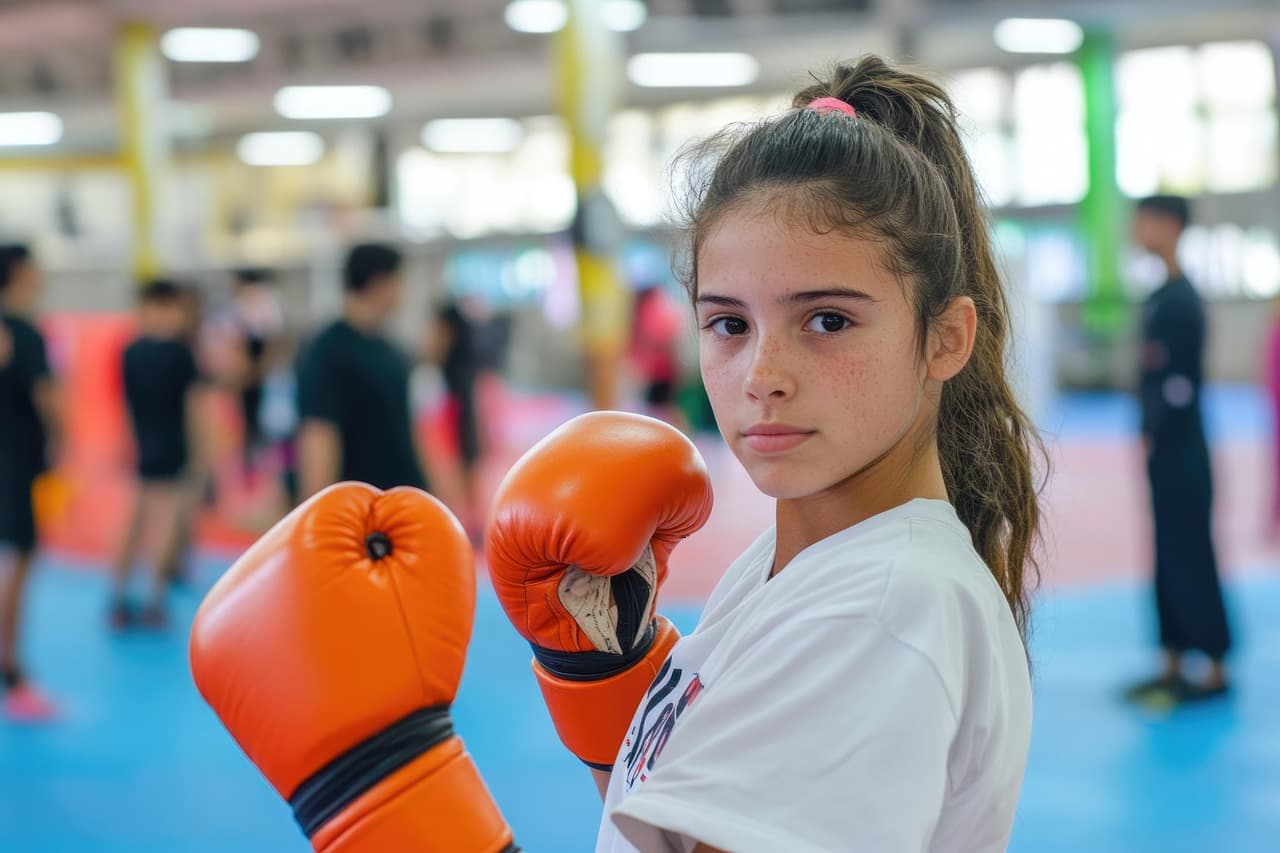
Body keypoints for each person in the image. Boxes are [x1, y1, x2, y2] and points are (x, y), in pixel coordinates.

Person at [487, 56, 1042, 852]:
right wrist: (602, 672)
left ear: (945, 337)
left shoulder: (877, 609)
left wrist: (386, 786)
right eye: (729, 324)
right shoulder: (794, 563)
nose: (762, 377)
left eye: (827, 322)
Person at [1124, 195, 1232, 705]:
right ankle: (1170, 657)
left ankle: (1212, 666)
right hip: (1163, 449)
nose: (1137, 229)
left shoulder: (1182, 302)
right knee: (1167, 550)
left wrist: (1159, 432)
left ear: (1171, 227)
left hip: (1183, 449)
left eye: (1146, 220)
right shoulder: (1159, 296)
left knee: (1190, 550)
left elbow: (1179, 385)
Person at [295, 243, 428, 500]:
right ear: (379, 283)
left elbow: (407, 430)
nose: (405, 291)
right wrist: (318, 514)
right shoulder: (327, 350)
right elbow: (319, 434)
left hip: (402, 501)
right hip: (361, 510)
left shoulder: (390, 350)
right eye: (399, 281)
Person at [109, 279, 206, 630]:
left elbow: (125, 404)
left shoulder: (129, 351)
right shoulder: (180, 353)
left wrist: (127, 443)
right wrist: (200, 452)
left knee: (135, 519)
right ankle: (154, 598)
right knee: (166, 522)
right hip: (173, 445)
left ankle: (117, 595)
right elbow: (194, 407)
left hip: (143, 443)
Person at [0, 243, 62, 720]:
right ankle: (11, 671)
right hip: (15, 463)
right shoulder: (24, 333)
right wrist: (61, 441)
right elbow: (48, 400)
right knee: (17, 560)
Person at [628, 282, 688, 427]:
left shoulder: (652, 309)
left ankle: (683, 435)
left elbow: (661, 341)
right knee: (660, 409)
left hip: (660, 371)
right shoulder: (656, 307)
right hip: (657, 370)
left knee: (664, 409)